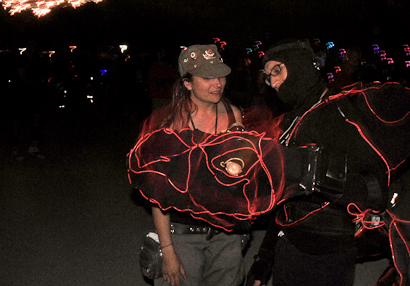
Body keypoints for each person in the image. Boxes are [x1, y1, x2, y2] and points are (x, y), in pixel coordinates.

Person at [247, 39, 391, 286]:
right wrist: (265, 256)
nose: (273, 82)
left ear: (298, 66)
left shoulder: (339, 115)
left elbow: (377, 186)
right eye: (268, 76)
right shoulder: (291, 121)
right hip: (290, 245)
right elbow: (283, 197)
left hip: (331, 251)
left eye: (277, 71)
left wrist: (323, 179)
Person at [141, 44, 249, 286]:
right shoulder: (170, 124)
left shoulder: (233, 115)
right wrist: (167, 250)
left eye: (220, 75)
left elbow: (239, 179)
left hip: (226, 234)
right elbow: (158, 193)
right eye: (207, 77)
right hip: (183, 234)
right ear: (187, 83)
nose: (218, 83)